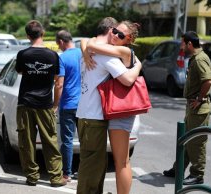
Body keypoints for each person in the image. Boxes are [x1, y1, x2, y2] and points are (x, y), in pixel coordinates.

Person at [76, 17, 142, 194]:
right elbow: (87, 43)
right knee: (94, 167)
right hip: (95, 116)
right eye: (115, 31)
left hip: (93, 114)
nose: (116, 35)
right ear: (110, 29)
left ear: (128, 40)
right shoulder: (105, 54)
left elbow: (88, 43)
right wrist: (86, 46)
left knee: (98, 164)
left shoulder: (114, 52)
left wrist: (138, 65)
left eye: (120, 34)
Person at [15, 20, 67, 187]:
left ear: (28, 36)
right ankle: (56, 178)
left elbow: (21, 72)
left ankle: (32, 177)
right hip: (45, 103)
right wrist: (55, 105)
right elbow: (58, 82)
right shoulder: (53, 56)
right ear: (43, 34)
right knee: (50, 141)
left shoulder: (23, 54)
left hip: (25, 103)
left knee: (26, 142)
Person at [163, 31, 211, 185]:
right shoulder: (195, 59)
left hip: (199, 109)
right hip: (193, 108)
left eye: (183, 43)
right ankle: (178, 168)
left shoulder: (199, 60)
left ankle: (197, 174)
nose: (182, 47)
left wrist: (199, 99)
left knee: (196, 142)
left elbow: (208, 81)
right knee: (186, 140)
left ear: (190, 44)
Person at [54, 30, 82, 181]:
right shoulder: (83, 54)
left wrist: (55, 104)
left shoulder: (62, 58)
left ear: (61, 42)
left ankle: (67, 173)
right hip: (84, 105)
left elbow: (59, 84)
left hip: (68, 104)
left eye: (58, 44)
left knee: (67, 141)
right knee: (85, 141)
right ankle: (85, 171)